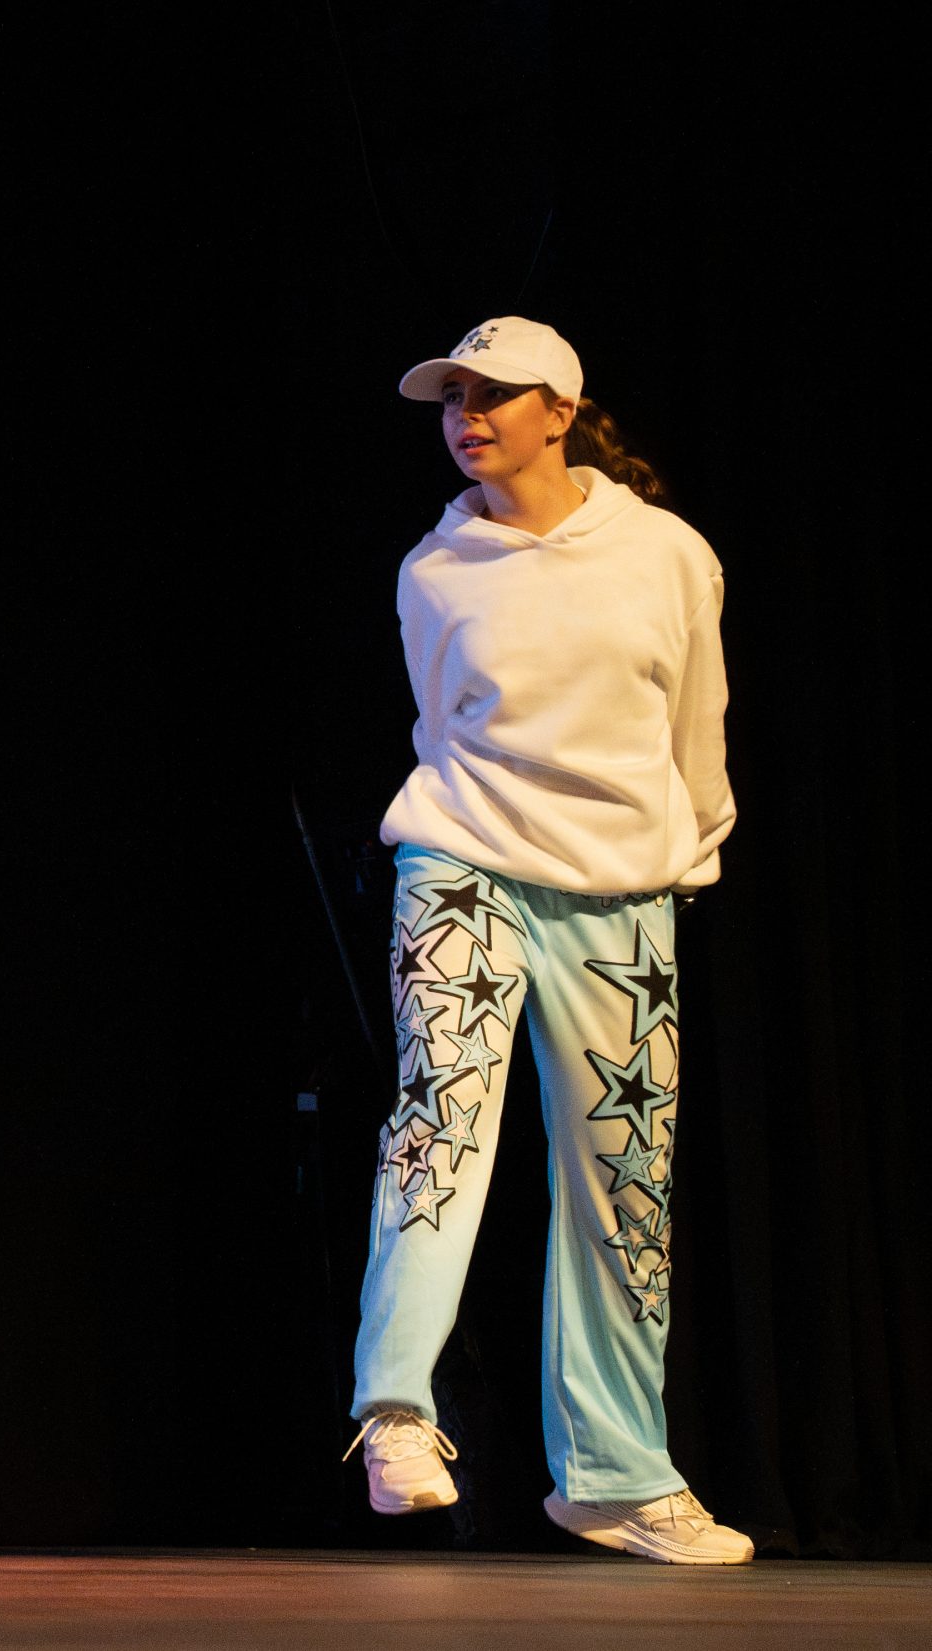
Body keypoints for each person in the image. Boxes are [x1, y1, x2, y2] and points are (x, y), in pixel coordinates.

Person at [344, 317, 751, 1564]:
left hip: (621, 889)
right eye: (451, 399)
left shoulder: (667, 553)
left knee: (624, 1179)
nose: (465, 418)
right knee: (439, 1120)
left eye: (492, 396)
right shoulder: (435, 567)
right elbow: (441, 726)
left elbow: (695, 727)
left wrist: (681, 855)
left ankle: (617, 1479)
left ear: (559, 411)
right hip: (462, 861)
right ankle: (394, 1413)